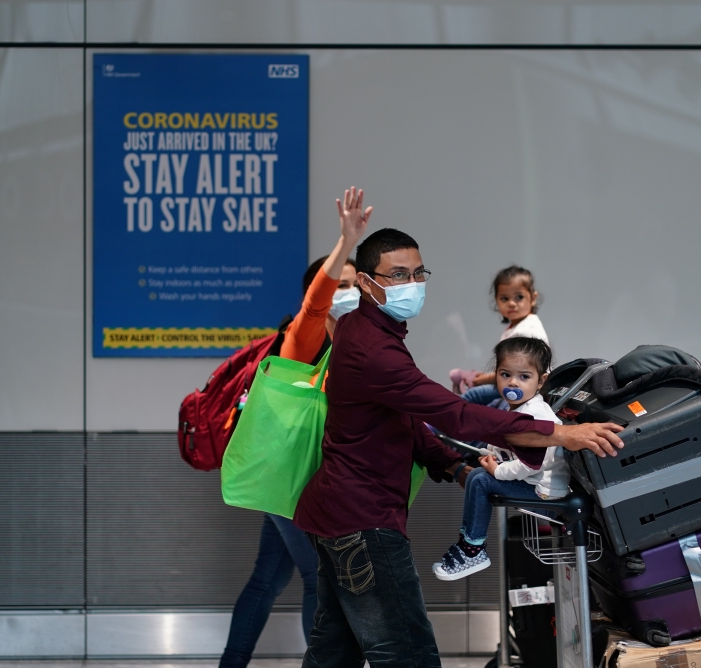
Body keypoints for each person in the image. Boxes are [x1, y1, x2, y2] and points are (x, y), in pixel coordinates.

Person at [293, 227, 624, 668]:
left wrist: (457, 467)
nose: (411, 284)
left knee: (334, 651)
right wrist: (559, 434)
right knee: (407, 653)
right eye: (396, 275)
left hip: (337, 517)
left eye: (417, 272)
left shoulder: (365, 328)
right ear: (369, 284)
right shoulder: (374, 349)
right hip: (361, 523)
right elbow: (456, 414)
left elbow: (402, 419)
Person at [218, 187, 370, 668]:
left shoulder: (353, 346)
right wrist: (345, 244)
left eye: (355, 284)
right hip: (294, 478)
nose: (349, 293)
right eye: (340, 285)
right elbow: (315, 307)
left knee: (266, 579)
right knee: (317, 579)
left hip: (285, 477)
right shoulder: (301, 341)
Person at [434, 336, 565, 581]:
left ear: (541, 381)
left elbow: (529, 464)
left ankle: (473, 550)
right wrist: (491, 456)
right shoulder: (515, 407)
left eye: (524, 377)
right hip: (531, 483)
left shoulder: (535, 414)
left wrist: (496, 471)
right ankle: (468, 542)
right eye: (506, 374)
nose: (513, 382)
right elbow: (509, 447)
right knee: (475, 475)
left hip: (544, 492)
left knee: (482, 480)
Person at [451, 265, 548, 403]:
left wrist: (481, 379)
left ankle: (437, 424)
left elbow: (515, 371)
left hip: (524, 387)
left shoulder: (525, 331)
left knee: (472, 396)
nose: (512, 303)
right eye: (504, 298)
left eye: (519, 297)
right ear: (496, 300)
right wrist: (484, 376)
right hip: (515, 383)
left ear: (533, 298)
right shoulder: (517, 326)